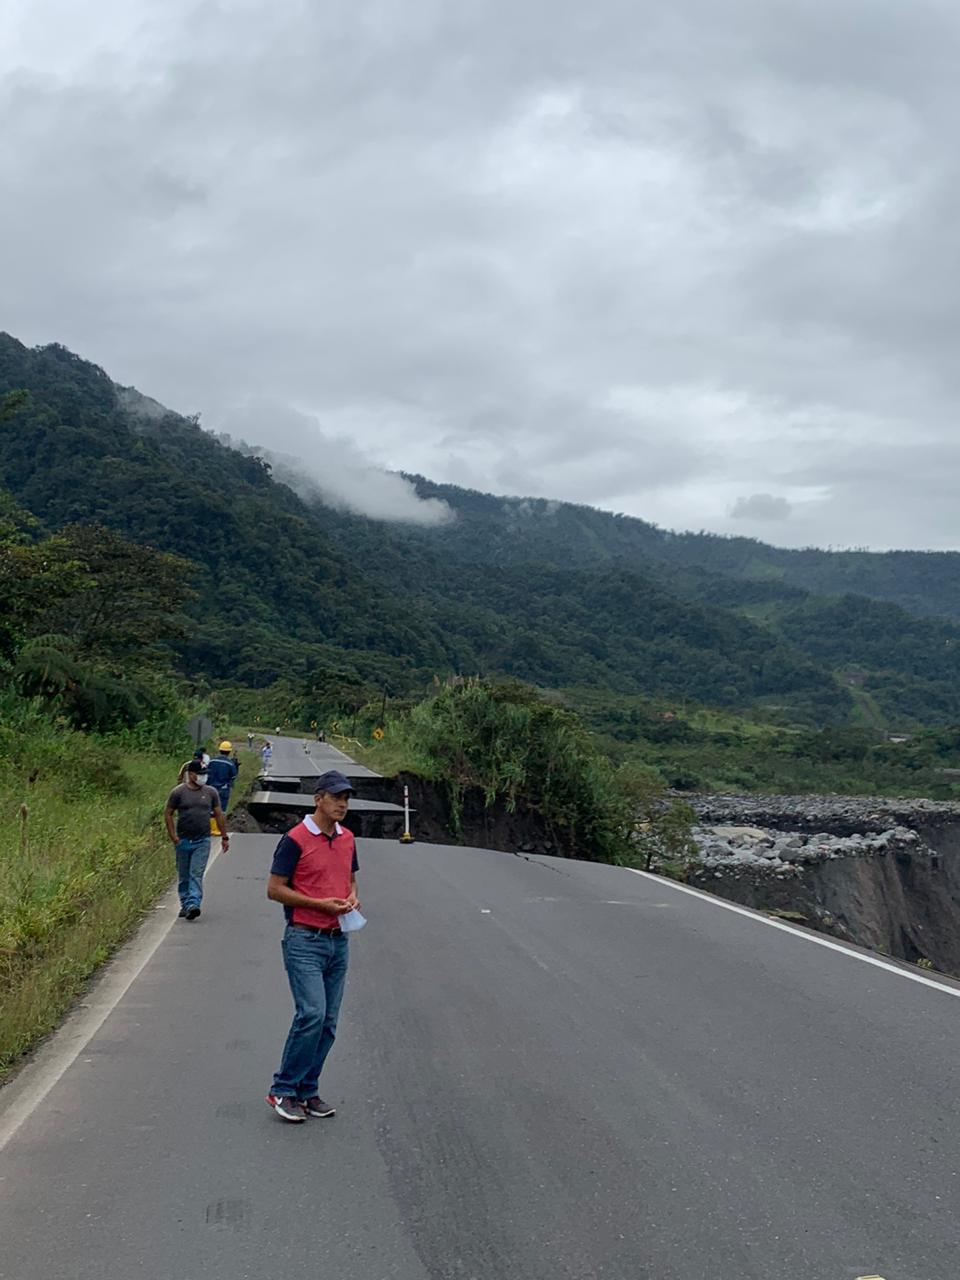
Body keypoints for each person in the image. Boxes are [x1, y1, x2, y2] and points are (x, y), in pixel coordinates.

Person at [264, 770, 359, 1123]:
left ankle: (307, 1089)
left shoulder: (348, 839)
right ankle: (283, 1089)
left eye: (346, 798)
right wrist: (320, 905)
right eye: (336, 797)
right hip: (304, 939)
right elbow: (274, 889)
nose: (342, 804)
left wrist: (352, 898)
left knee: (329, 1022)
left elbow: (350, 880)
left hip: (338, 940)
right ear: (318, 799)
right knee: (312, 1014)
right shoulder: (295, 839)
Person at [164, 760, 229, 920]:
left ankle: (193, 903)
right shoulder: (178, 792)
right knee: (184, 875)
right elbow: (168, 813)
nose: (203, 777)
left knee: (196, 873)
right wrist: (173, 837)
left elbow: (219, 814)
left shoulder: (211, 792)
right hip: (183, 840)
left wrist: (224, 836)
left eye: (204, 774)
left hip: (202, 840)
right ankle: (185, 903)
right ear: (191, 774)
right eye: (200, 774)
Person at [207, 740, 239, 812]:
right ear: (229, 752)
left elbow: (207, 774)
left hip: (211, 789)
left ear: (220, 750)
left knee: (210, 810)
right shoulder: (230, 764)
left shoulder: (211, 761)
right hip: (223, 789)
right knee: (221, 812)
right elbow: (233, 776)